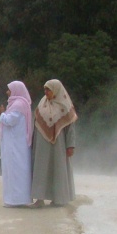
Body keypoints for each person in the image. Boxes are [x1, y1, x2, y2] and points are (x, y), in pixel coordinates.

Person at [30, 78, 78, 207]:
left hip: (59, 145)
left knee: (58, 169)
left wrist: (70, 145)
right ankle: (39, 199)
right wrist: (32, 142)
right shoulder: (42, 103)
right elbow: (36, 123)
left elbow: (70, 127)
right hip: (42, 146)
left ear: (56, 90)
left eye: (48, 89)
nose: (46, 92)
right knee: (41, 169)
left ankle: (58, 199)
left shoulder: (65, 105)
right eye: (45, 89)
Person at [0, 80, 33, 207]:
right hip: (15, 144)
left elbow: (10, 120)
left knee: (15, 172)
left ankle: (16, 200)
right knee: (14, 171)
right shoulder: (18, 104)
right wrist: (4, 112)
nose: (7, 92)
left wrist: (1, 113)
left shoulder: (19, 104)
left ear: (16, 90)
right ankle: (15, 199)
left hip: (16, 146)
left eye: (9, 89)